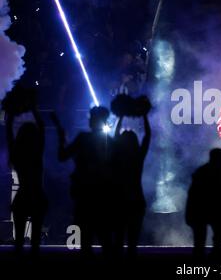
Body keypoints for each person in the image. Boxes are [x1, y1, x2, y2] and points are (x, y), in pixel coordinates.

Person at [51, 106, 113, 257]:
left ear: (96, 119)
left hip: (85, 197)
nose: (89, 119)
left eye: (91, 117)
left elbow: (62, 156)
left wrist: (61, 137)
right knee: (106, 241)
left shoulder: (84, 138)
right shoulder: (110, 142)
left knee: (86, 240)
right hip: (103, 197)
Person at [6, 107, 47, 255]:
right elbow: (42, 128)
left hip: (22, 197)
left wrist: (11, 111)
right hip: (37, 196)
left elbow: (9, 132)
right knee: (35, 243)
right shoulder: (37, 153)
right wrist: (34, 107)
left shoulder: (17, 154)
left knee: (19, 245)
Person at [111, 112, 151, 258]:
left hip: (120, 202)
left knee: (118, 240)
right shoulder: (137, 157)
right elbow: (147, 137)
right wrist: (145, 116)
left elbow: (115, 135)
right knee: (132, 243)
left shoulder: (117, 156)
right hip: (135, 202)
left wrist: (120, 116)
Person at [186, 149, 221, 259]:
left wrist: (189, 212)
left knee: (200, 241)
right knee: (218, 241)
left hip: (202, 210)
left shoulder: (201, 171)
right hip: (220, 210)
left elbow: (192, 194)